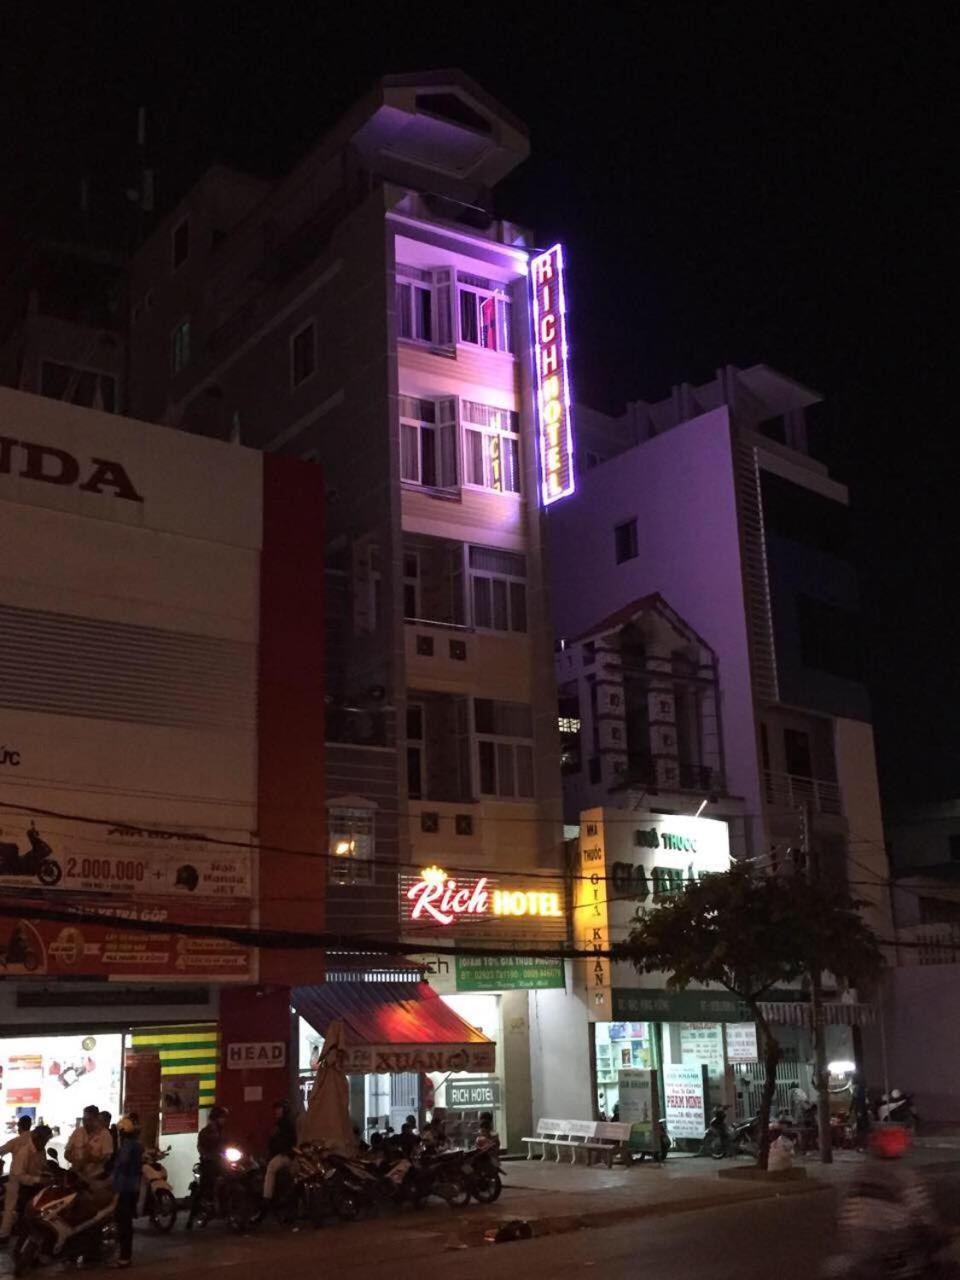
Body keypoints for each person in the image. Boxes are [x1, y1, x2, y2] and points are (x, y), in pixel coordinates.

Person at [830, 1125, 945, 1278]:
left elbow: (842, 1207)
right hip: (888, 1241)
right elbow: (923, 1214)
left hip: (853, 1239)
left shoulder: (859, 1173)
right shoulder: (905, 1176)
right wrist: (939, 1231)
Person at [187, 1106, 227, 1227]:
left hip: (221, 1163)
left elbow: (228, 1144)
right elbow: (201, 1148)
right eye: (221, 1117)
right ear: (215, 1118)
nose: (223, 1120)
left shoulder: (222, 1132)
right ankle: (191, 1218)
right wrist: (208, 1156)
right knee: (203, 1188)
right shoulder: (205, 1132)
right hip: (209, 1163)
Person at [111, 1118, 143, 1270]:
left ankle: (124, 1257)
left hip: (125, 1189)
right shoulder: (135, 1145)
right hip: (131, 1187)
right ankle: (124, 1255)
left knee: (123, 1222)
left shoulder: (128, 1146)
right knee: (124, 1222)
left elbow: (122, 1165)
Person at [0, 1116, 36, 1242]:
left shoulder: (16, 1141)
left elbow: (1, 1150)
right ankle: (21, 1230)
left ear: (19, 1126)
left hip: (16, 1178)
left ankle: (4, 1234)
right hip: (33, 1180)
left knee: (9, 1207)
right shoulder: (35, 1140)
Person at [262, 1101, 297, 1206]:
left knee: (271, 1168)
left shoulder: (285, 1124)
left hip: (285, 1155)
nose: (277, 1111)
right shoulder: (281, 1124)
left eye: (279, 1108)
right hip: (285, 1154)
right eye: (276, 1109)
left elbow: (284, 1142)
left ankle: (267, 1197)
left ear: (285, 1110)